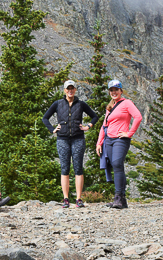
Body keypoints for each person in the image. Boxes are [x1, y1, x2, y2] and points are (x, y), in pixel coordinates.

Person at [42, 79, 99, 208]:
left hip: (78, 139)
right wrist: (52, 129)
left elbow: (94, 116)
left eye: (72, 88)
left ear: (75, 90)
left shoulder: (81, 104)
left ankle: (79, 199)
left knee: (78, 168)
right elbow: (45, 118)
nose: (70, 91)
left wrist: (88, 126)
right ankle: (66, 199)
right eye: (68, 88)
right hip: (62, 139)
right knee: (65, 169)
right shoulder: (58, 104)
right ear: (64, 90)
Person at [96, 79, 142, 209]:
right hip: (108, 140)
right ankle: (121, 199)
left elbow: (138, 117)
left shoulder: (127, 103)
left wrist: (130, 132)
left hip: (120, 139)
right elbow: (104, 126)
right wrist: (99, 143)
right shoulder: (110, 107)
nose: (114, 92)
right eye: (111, 90)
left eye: (116, 89)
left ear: (121, 91)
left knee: (117, 163)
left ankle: (119, 198)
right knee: (115, 167)